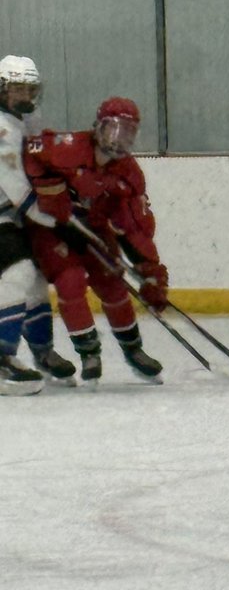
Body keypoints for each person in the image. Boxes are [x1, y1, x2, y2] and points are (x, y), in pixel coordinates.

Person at [24, 96, 169, 382]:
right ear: (98, 126)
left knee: (114, 284)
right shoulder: (69, 146)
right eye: (113, 129)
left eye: (128, 133)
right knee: (71, 280)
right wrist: (52, 194)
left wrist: (152, 273)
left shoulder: (129, 174)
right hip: (53, 229)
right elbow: (30, 151)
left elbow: (134, 228)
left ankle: (133, 349)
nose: (119, 140)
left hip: (95, 231)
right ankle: (89, 353)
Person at [0, 54, 77, 394]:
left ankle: (42, 351)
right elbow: (15, 183)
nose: (25, 97)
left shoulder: (21, 121)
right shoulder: (2, 127)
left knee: (35, 278)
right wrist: (53, 218)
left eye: (30, 89)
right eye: (17, 89)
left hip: (10, 217)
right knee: (19, 274)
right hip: (5, 215)